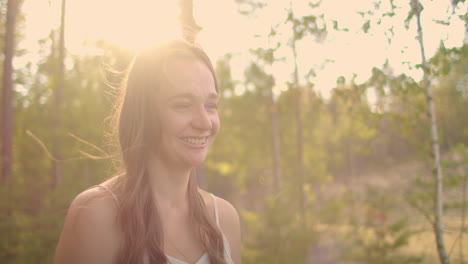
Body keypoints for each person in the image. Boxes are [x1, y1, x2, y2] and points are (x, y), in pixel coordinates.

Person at [53, 40, 241, 264]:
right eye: (183, 105)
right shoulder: (95, 216)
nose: (204, 122)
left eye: (210, 105)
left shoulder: (225, 219)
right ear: (143, 113)